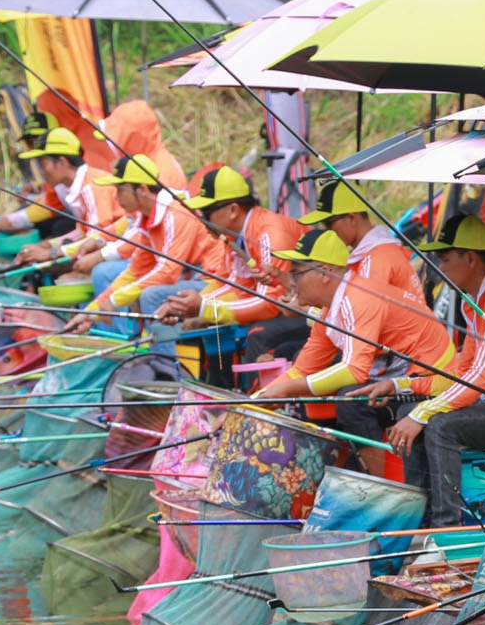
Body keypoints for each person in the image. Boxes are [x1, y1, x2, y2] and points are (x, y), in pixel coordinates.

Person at [349, 214, 485, 526]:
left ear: (470, 258)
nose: (440, 267)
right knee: (410, 412)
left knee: (439, 426)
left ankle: (446, 526)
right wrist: (399, 387)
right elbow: (461, 373)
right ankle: (418, 517)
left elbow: (478, 380)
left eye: (445, 258)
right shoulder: (473, 302)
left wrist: (421, 415)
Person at [253, 228, 455, 452]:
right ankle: (340, 464)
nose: (292, 283)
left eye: (296, 274)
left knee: (351, 403)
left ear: (325, 273)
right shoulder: (330, 310)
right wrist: (249, 404)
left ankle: (368, 475)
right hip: (397, 378)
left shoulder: (358, 299)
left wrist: (286, 390)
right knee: (322, 394)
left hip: (434, 381)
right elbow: (301, 371)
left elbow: (354, 370)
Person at [63, 155, 224, 350]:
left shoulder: (175, 214)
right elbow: (135, 271)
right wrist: (91, 312)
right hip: (189, 282)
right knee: (142, 291)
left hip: (214, 284)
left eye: (121, 190)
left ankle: (164, 363)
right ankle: (149, 354)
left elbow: (168, 272)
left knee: (151, 295)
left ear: (142, 189)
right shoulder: (148, 219)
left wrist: (115, 301)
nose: (117, 197)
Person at [151, 165, 306, 359]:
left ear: (233, 210)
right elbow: (235, 286)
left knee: (258, 333)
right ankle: (216, 378)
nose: (202, 220)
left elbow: (270, 303)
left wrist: (204, 308)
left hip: (308, 310)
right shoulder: (232, 235)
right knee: (212, 327)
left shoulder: (269, 235)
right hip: (286, 306)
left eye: (206, 212)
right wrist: (184, 308)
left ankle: (257, 380)